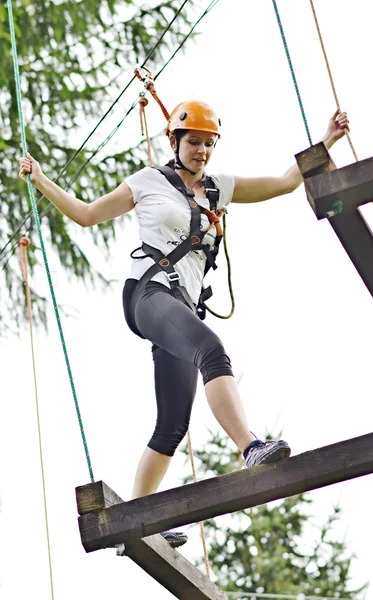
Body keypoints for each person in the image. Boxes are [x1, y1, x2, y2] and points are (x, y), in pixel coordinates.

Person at [19, 100, 349, 548]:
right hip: (149, 295)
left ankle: (139, 520)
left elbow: (284, 182)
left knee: (173, 424)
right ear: (174, 141)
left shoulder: (219, 188)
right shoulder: (148, 181)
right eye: (194, 142)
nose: (201, 151)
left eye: (208, 144)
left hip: (182, 308)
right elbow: (87, 214)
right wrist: (40, 179)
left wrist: (326, 140)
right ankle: (250, 447)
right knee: (211, 351)